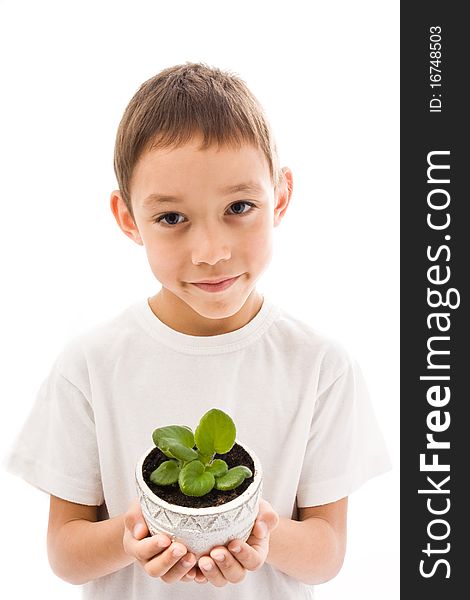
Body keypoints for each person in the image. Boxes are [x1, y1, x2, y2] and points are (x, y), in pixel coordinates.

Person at [3, 62, 391, 599]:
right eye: (171, 218)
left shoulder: (319, 364)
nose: (211, 251)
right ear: (128, 218)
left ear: (279, 196)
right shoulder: (91, 364)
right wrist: (138, 532)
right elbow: (65, 553)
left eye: (239, 207)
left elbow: (326, 554)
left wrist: (253, 531)